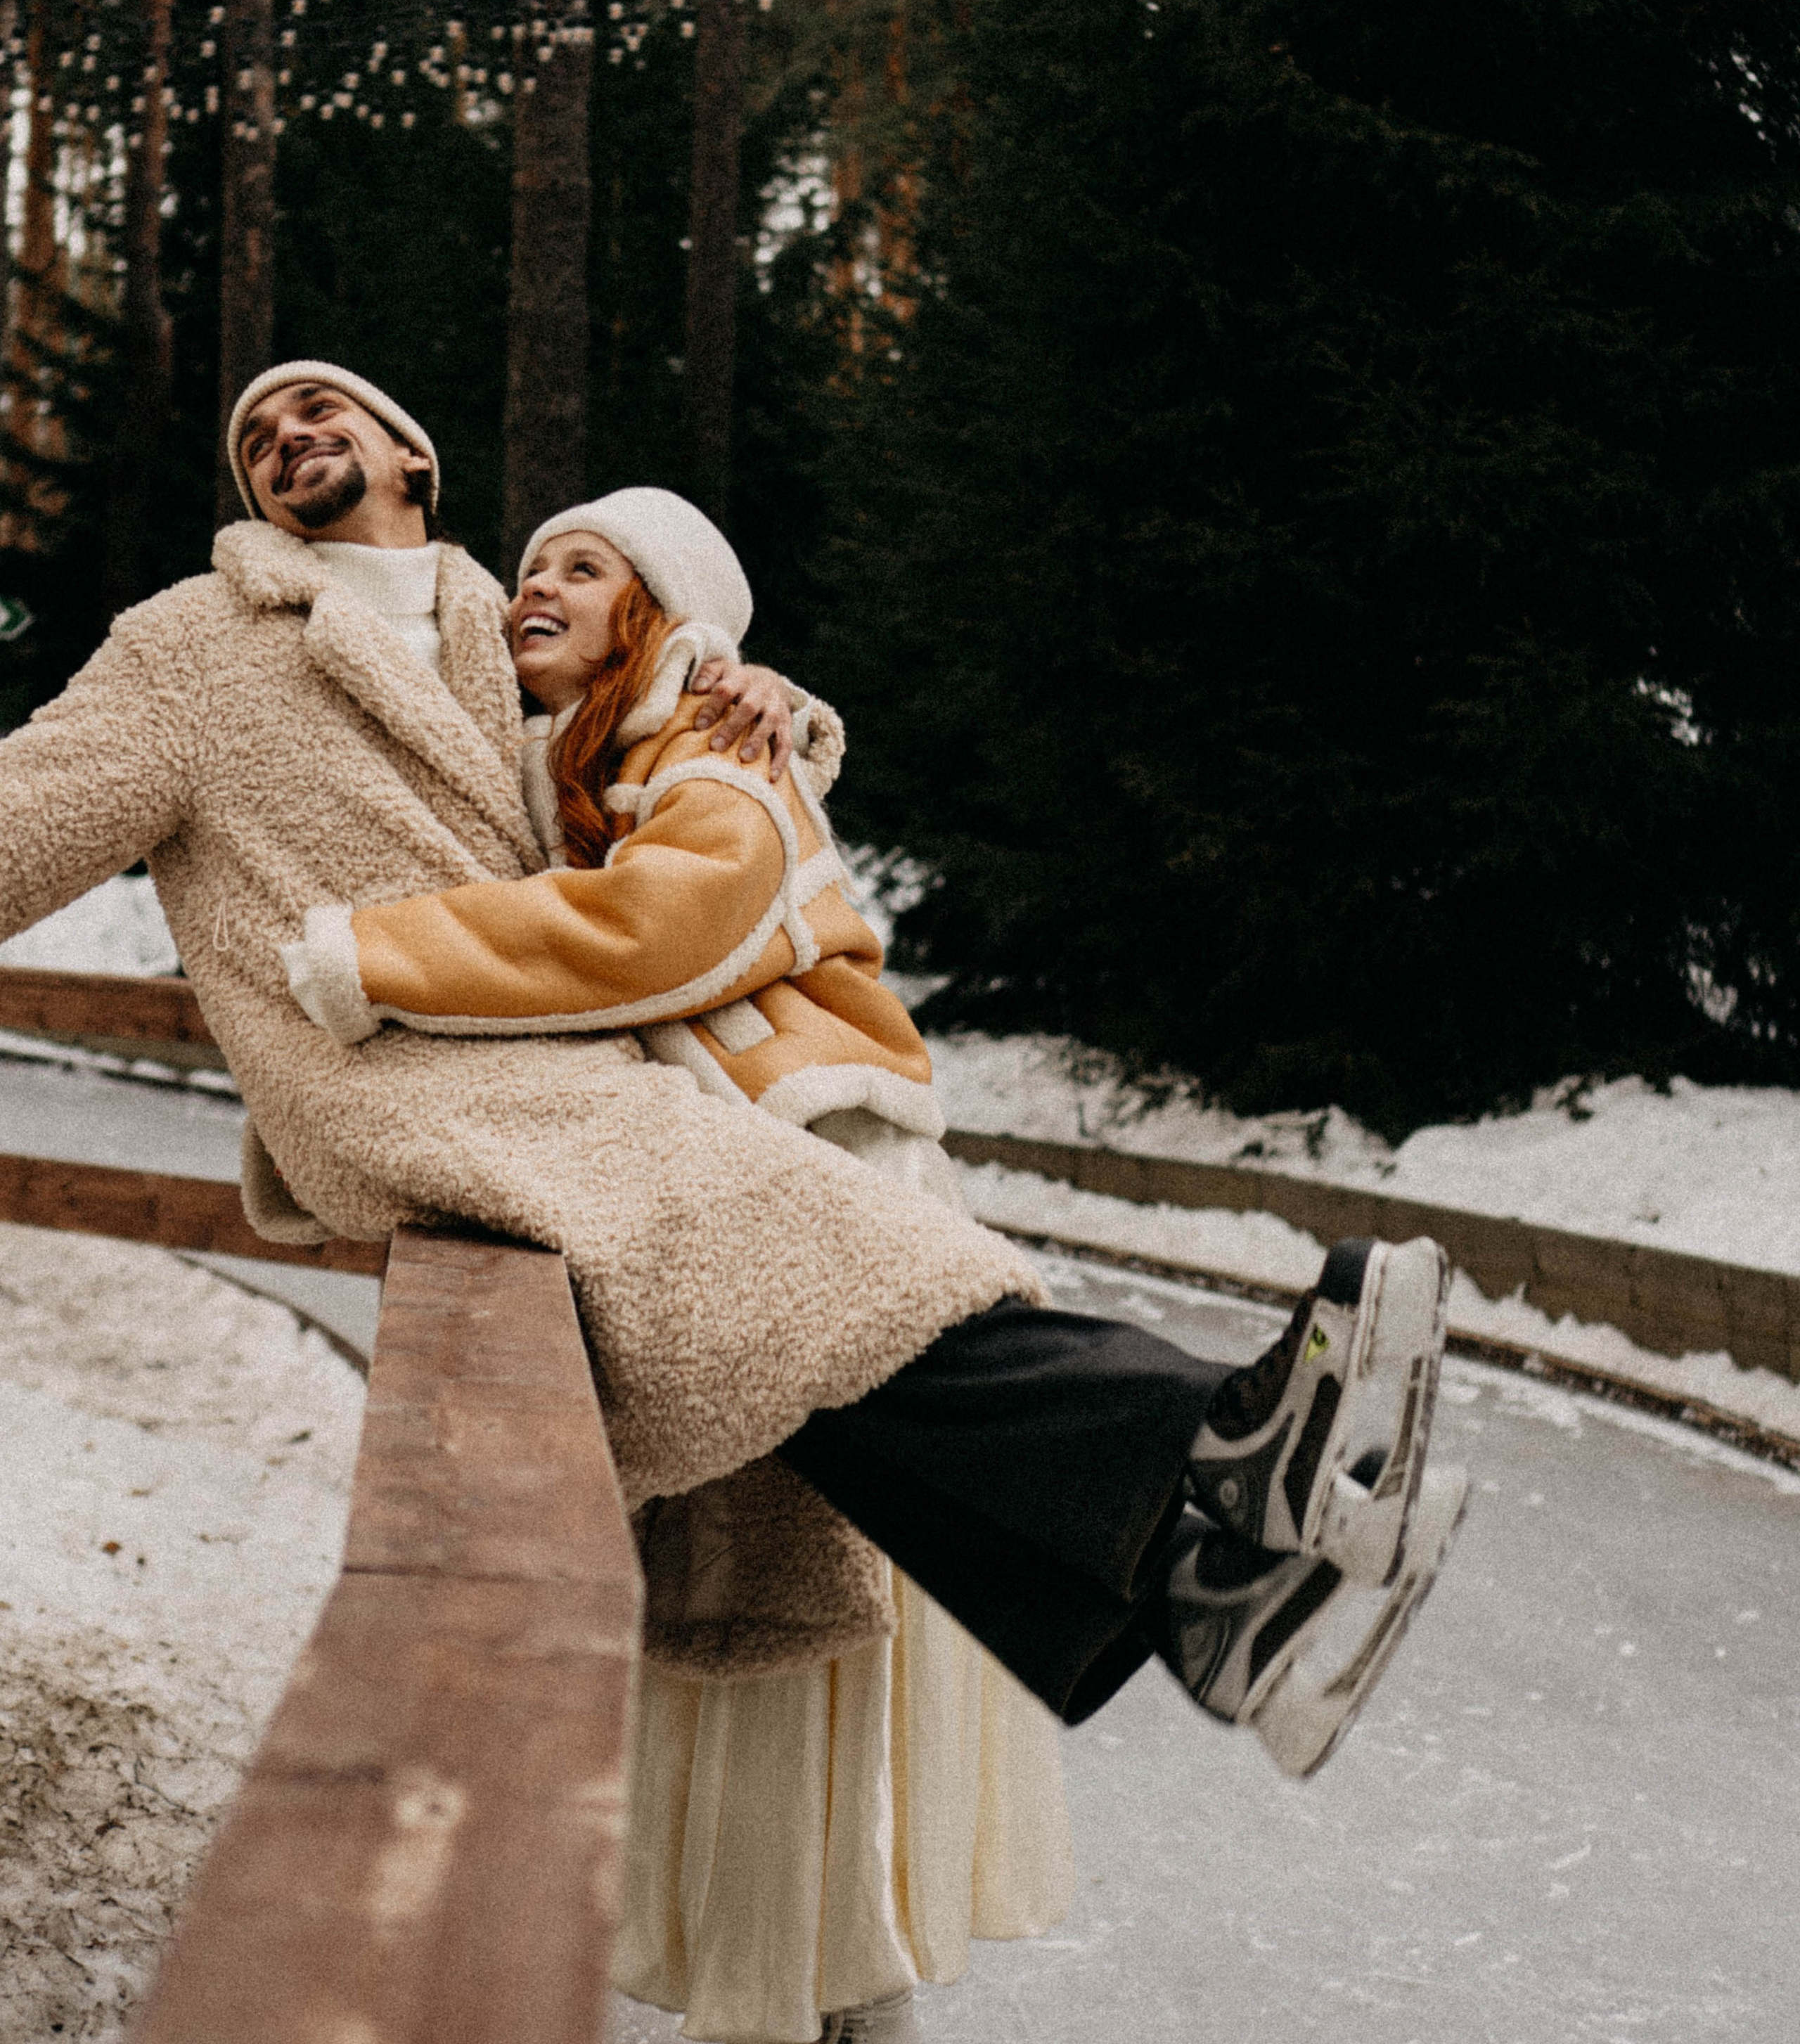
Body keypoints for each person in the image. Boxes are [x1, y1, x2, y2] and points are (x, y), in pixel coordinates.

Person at [0, 363, 1465, 2029]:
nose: (285, 436)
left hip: (544, 1064)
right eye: (256, 434)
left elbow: (643, 724)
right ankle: (1215, 1436)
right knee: (802, 1245)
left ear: (413, 452)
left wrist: (753, 689)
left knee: (793, 1313)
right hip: (386, 1069)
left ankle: (1214, 1613)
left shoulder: (495, 623)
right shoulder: (187, 648)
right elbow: (25, 817)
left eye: (323, 409)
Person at [285, 487, 1076, 2044]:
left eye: (582, 568)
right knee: (753, 1597)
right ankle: (826, 1976)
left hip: (822, 1181)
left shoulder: (716, 744)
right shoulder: (573, 761)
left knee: (802, 1603)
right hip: (722, 1208)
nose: (536, 585)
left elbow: (652, 929)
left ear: (664, 615)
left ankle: (805, 1987)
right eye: (526, 567)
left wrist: (366, 961)